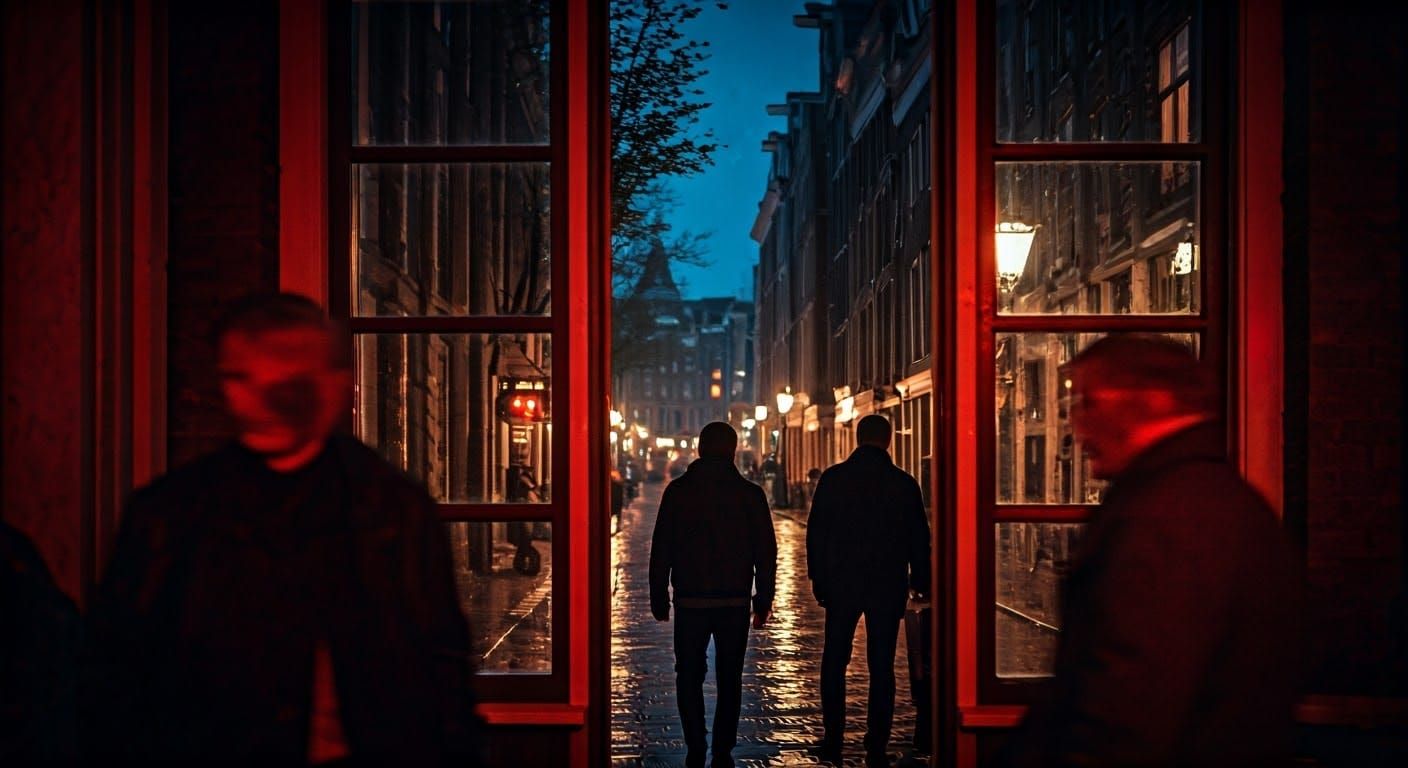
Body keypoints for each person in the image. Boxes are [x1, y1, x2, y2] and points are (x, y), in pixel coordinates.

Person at [83, 292, 486, 765]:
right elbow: (115, 678)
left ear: (337, 385)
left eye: (289, 376)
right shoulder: (168, 517)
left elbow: (440, 667)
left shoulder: (393, 512)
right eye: (243, 377)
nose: (265, 399)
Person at [997, 334, 1299, 768]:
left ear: (1150, 402)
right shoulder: (1207, 498)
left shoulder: (1171, 519)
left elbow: (1126, 712)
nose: (1075, 428)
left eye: (1088, 403)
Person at [649, 422, 777, 768]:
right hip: (734, 600)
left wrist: (658, 595)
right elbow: (766, 551)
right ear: (733, 451)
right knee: (730, 676)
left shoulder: (678, 492)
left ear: (700, 450)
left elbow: (662, 547)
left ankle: (695, 744)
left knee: (688, 674)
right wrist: (763, 599)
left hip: (690, 599)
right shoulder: (750, 495)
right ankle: (723, 748)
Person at [807, 414, 931, 767]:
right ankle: (876, 742)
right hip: (887, 585)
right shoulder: (904, 484)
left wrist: (819, 578)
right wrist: (920, 581)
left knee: (834, 661)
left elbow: (816, 533)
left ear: (857, 439)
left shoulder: (833, 479)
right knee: (882, 665)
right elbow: (919, 539)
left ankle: (833, 738)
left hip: (842, 584)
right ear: (888, 441)